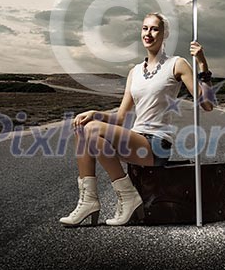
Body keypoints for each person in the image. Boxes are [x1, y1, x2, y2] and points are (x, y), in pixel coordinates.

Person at [59, 12, 214, 227]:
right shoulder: (134, 72)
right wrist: (95, 113)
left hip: (156, 143)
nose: (148, 33)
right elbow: (120, 118)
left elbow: (206, 105)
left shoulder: (177, 64)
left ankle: (127, 197)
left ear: (164, 34)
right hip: (134, 138)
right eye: (145, 28)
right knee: (82, 128)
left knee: (92, 130)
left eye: (154, 29)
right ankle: (88, 201)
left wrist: (203, 65)